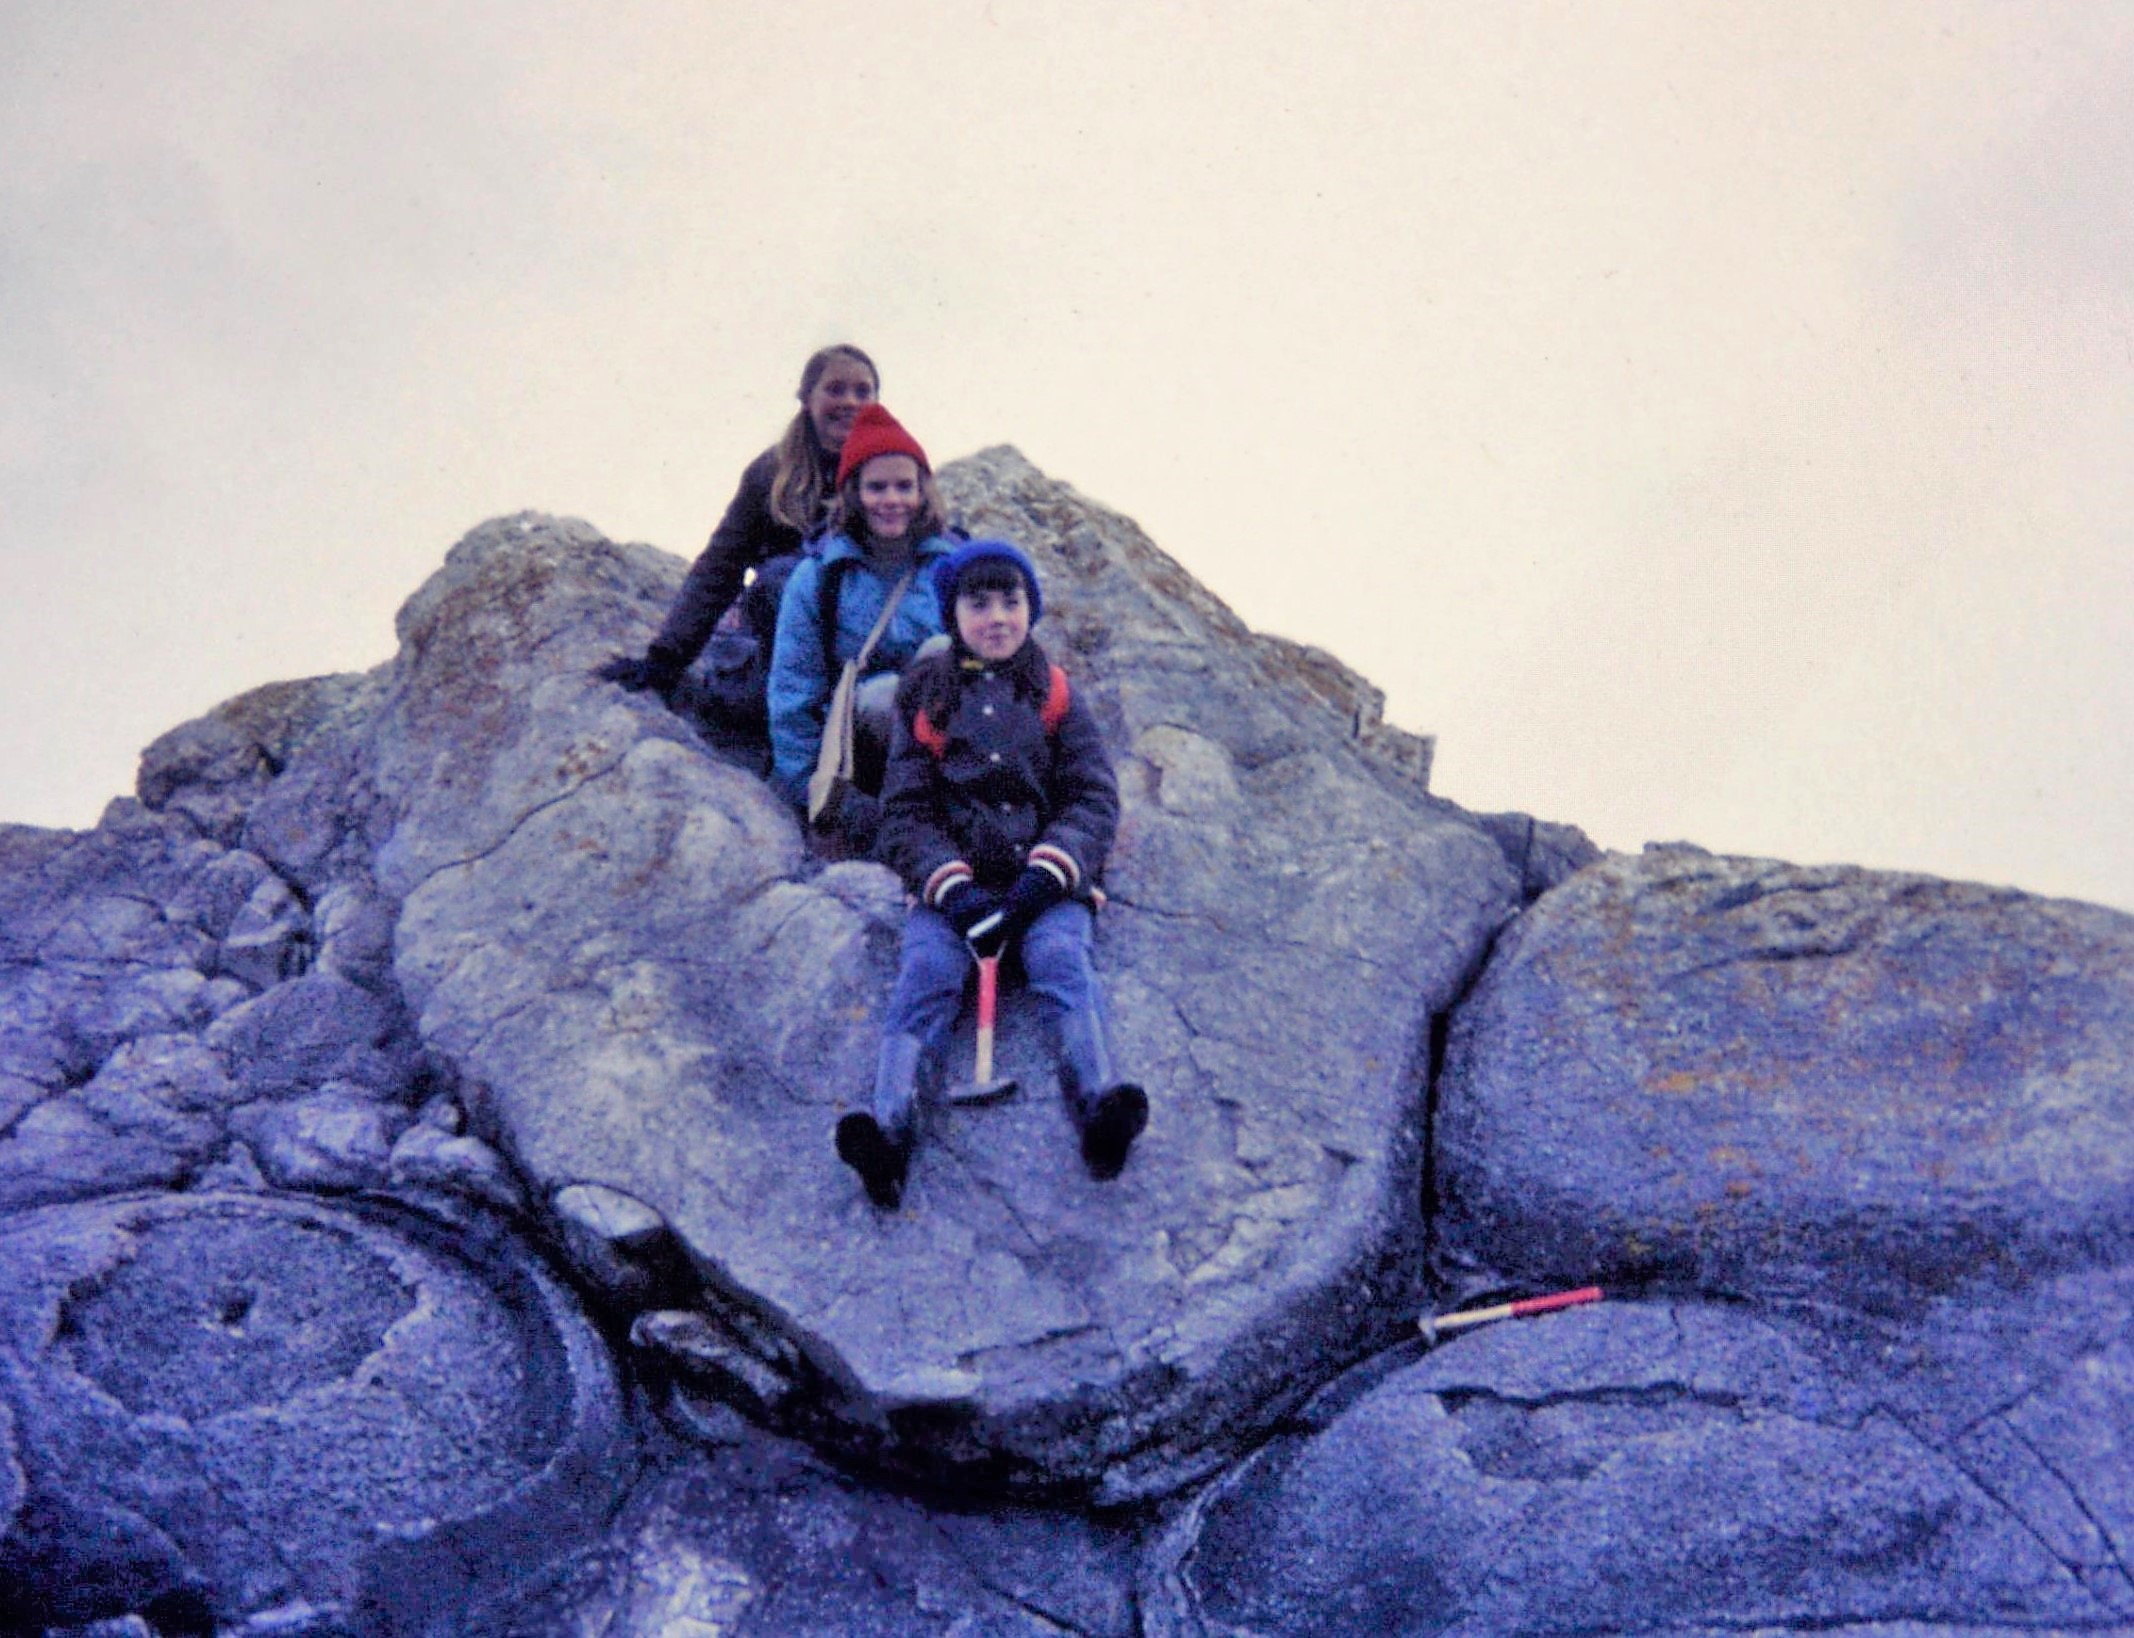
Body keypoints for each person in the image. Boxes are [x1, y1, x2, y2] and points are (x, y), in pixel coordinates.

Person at [836, 538, 1147, 1210]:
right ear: (953, 616)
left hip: (1044, 886)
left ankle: (1098, 1106)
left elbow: (1092, 797)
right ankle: (888, 1131)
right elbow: (905, 813)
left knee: (1062, 959)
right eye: (980, 604)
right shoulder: (926, 697)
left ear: (1030, 609)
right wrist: (953, 889)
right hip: (958, 894)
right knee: (925, 976)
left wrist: (1047, 875)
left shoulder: (1056, 691)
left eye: (1012, 601)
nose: (998, 617)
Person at [598, 344, 880, 699]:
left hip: (873, 633)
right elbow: (720, 567)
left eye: (862, 391)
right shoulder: (772, 473)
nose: (850, 402)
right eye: (835, 389)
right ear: (807, 398)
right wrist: (665, 659)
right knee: (784, 578)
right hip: (787, 632)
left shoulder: (894, 471)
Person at [766, 404, 958, 842]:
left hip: (947, 746)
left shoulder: (951, 569)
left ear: (923, 492)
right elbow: (793, 695)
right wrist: (818, 794)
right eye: (877, 487)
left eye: (904, 486)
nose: (892, 500)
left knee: (940, 653)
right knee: (879, 695)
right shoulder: (818, 580)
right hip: (863, 754)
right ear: (853, 493)